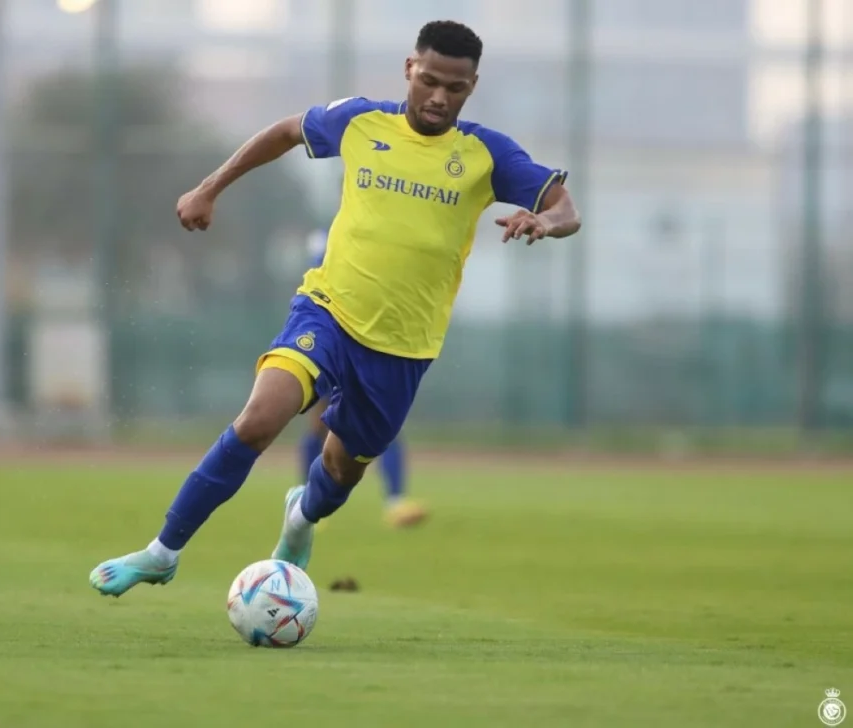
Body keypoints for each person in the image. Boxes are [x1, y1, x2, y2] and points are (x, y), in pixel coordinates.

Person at [90, 20, 580, 597]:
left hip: (403, 346)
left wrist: (543, 221)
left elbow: (565, 207)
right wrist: (209, 188)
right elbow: (285, 131)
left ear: (472, 86)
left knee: (342, 472)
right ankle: (162, 552)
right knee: (259, 419)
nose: (438, 97)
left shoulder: (486, 153)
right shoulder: (361, 121)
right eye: (428, 81)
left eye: (455, 88)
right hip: (327, 310)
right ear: (409, 69)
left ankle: (300, 517)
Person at [300, 229, 428, 529]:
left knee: (385, 423)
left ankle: (395, 502)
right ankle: (306, 502)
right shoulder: (326, 239)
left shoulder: (373, 231)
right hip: (331, 339)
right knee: (319, 424)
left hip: (369, 341)